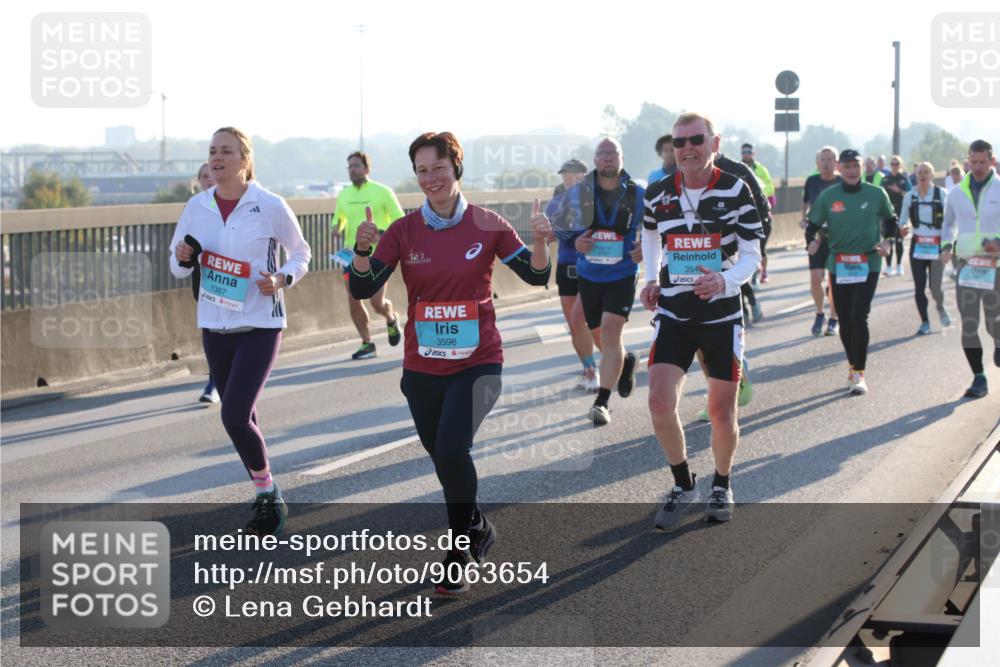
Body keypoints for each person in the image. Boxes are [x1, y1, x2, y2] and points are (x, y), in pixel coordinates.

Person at [349, 131, 551, 594]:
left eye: (437, 168)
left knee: (451, 451)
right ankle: (478, 524)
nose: (430, 178)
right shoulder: (403, 230)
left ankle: (459, 549)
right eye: (421, 171)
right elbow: (363, 288)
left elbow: (537, 274)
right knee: (441, 457)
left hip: (479, 361)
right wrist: (362, 252)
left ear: (456, 167)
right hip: (422, 367)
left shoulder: (488, 223)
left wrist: (542, 242)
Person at [170, 127, 312, 535]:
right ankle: (263, 492)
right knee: (244, 414)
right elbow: (177, 264)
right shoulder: (197, 206)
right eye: (212, 151)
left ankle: (268, 493)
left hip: (261, 322)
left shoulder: (268, 205)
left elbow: (300, 252)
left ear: (244, 160)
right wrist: (182, 257)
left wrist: (282, 278)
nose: (216, 158)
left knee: (232, 414)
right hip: (214, 323)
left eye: (226, 151)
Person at [641, 112, 763, 531]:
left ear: (715, 143)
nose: (688, 148)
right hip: (674, 311)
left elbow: (751, 254)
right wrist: (652, 278)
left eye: (696, 139)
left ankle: (722, 484)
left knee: (721, 411)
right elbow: (651, 235)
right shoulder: (658, 193)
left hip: (721, 315)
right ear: (671, 149)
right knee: (658, 402)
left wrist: (725, 280)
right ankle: (683, 483)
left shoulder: (736, 189)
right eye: (680, 142)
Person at [550, 138, 643, 426]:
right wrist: (574, 239)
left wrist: (649, 248)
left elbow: (658, 226)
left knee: (612, 333)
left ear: (622, 157)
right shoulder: (579, 193)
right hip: (589, 276)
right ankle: (625, 362)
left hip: (623, 273)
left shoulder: (638, 194)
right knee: (599, 335)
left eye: (612, 153)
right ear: (595, 160)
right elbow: (557, 224)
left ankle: (601, 401)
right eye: (602, 154)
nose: (607, 158)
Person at [806, 149, 896, 395]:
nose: (852, 170)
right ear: (839, 168)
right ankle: (852, 363)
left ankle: (859, 372)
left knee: (860, 316)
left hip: (869, 261)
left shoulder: (876, 194)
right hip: (840, 263)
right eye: (847, 166)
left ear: (860, 167)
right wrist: (812, 241)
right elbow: (812, 224)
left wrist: (888, 241)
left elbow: (891, 220)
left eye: (856, 165)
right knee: (845, 320)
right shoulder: (828, 196)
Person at [332, 151, 405, 360]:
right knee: (354, 298)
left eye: (356, 165)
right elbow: (339, 218)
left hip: (378, 257)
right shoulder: (344, 194)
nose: (352, 169)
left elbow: (400, 221)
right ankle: (367, 343)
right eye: (349, 166)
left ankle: (390, 316)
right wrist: (336, 227)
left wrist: (380, 234)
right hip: (351, 255)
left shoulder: (382, 192)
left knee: (376, 302)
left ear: (366, 168)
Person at [941, 139, 1000, 399]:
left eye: (982, 162)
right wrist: (945, 245)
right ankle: (979, 377)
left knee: (993, 321)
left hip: (995, 264)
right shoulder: (956, 192)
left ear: (992, 161)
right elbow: (948, 224)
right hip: (967, 264)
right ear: (968, 161)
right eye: (973, 162)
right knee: (969, 324)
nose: (977, 167)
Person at [546, 159, 598, 391]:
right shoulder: (558, 199)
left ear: (584, 175)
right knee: (573, 324)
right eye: (565, 174)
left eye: (573, 174)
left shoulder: (595, 199)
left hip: (591, 267)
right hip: (565, 267)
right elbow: (553, 228)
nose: (568, 178)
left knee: (583, 321)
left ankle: (611, 363)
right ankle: (588, 368)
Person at [898, 162, 951, 335]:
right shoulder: (910, 195)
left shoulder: (942, 194)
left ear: (932, 175)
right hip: (918, 244)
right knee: (919, 286)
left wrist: (948, 246)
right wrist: (903, 227)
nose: (922, 175)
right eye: (920, 172)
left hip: (937, 244)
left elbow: (951, 221)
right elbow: (903, 219)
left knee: (935, 287)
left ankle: (941, 309)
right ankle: (925, 322)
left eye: (926, 172)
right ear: (916, 175)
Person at [802, 146, 842, 336]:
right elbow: (806, 202)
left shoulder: (842, 182)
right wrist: (805, 219)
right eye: (823, 159)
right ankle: (819, 314)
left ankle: (834, 319)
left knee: (834, 282)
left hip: (838, 238)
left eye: (830, 159)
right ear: (818, 162)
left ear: (836, 162)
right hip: (817, 236)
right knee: (816, 279)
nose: (826, 163)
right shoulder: (812, 181)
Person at [191, 162, 220, 404]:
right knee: (211, 329)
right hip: (203, 277)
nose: (209, 180)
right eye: (204, 177)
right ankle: (215, 380)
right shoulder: (194, 207)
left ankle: (217, 382)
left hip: (231, 277)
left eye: (212, 175)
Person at [740, 143, 775, 282]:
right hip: (745, 213)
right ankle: (749, 274)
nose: (746, 154)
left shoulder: (761, 169)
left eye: (749, 151)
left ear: (753, 153)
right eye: (744, 152)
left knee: (761, 247)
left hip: (761, 213)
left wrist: (767, 208)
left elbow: (770, 190)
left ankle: (763, 271)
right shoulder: (736, 168)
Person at [881, 155, 911, 277]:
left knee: (899, 241)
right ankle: (888, 267)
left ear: (900, 165)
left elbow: (909, 195)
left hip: (900, 212)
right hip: (888, 214)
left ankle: (899, 266)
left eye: (896, 164)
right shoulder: (885, 179)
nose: (894, 166)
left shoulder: (904, 179)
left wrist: (899, 190)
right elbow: (880, 195)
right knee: (888, 239)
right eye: (892, 164)